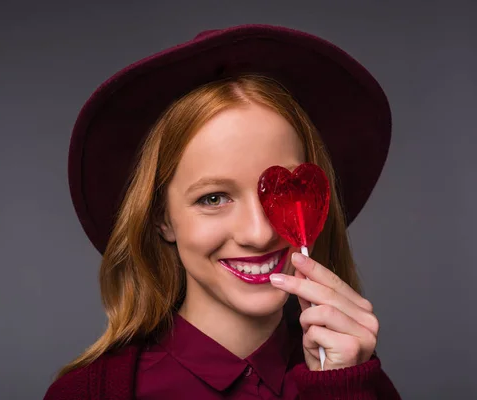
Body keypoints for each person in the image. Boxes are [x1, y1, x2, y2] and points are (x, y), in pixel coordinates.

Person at [43, 24, 401, 399]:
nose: (259, 233)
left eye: (280, 193)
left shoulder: (359, 381)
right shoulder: (87, 393)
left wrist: (340, 388)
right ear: (161, 218)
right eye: (213, 198)